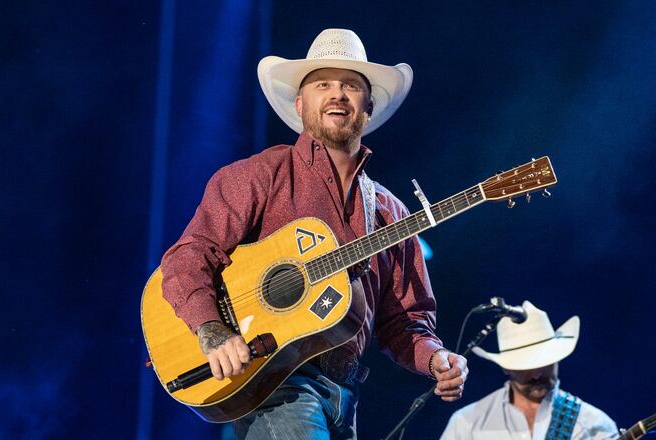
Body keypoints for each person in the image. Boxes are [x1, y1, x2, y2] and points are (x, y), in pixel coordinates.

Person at [160, 28, 468, 439]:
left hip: (346, 396)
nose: (338, 94)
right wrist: (213, 330)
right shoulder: (258, 177)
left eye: (351, 86)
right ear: (301, 104)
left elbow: (406, 321)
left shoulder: (391, 213)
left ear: (368, 106)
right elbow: (187, 257)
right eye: (323, 84)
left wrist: (437, 360)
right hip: (274, 383)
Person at [440, 301, 617, 440]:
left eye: (545, 363)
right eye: (525, 367)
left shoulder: (595, 424)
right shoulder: (466, 424)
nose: (537, 374)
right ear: (505, 367)